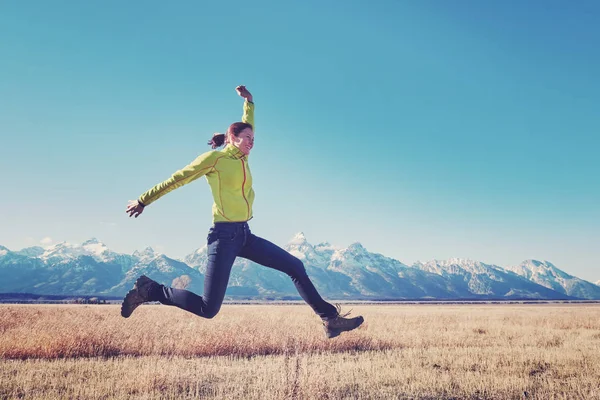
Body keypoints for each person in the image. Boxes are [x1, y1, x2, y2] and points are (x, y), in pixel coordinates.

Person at [122, 86, 363, 339]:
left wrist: (249, 102)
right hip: (223, 237)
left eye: (253, 139)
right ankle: (151, 290)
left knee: (295, 266)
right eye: (247, 138)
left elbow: (248, 124)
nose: (252, 142)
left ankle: (330, 319)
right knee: (208, 308)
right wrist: (143, 200)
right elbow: (177, 179)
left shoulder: (242, 158)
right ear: (232, 137)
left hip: (244, 235)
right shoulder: (214, 160)